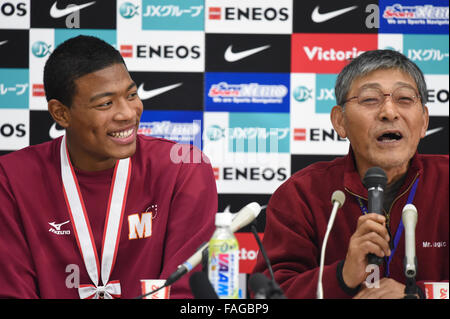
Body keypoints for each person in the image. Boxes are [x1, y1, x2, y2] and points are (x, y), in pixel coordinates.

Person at [0, 35, 218, 299]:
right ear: (61, 113)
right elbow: (12, 290)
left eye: (132, 95)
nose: (127, 113)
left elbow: (184, 291)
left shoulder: (184, 168)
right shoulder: (11, 177)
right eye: (105, 103)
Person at [253, 49, 448, 299]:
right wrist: (342, 276)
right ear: (340, 121)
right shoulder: (302, 195)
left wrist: (419, 295)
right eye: (370, 100)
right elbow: (268, 295)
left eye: (405, 99)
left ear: (424, 121)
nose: (389, 112)